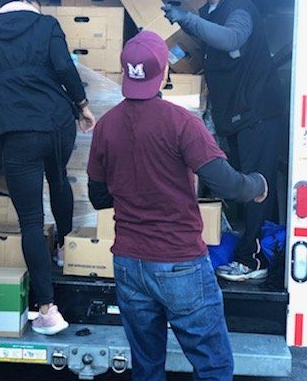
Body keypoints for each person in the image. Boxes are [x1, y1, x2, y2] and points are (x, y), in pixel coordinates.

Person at [87, 30, 268, 381]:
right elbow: (227, 184)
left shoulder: (106, 126)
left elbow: (98, 197)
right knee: (213, 366)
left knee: (147, 366)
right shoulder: (182, 123)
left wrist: (130, 188)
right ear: (165, 74)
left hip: (128, 263)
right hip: (179, 262)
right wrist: (258, 185)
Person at [0, 0, 96, 335]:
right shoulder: (45, 24)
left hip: (16, 131)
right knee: (58, 177)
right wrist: (83, 106)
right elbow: (64, 68)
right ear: (32, 2)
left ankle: (48, 309)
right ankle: (64, 244)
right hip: (57, 122)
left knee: (29, 220)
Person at [162, 0, 283, 282]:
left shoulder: (239, 6)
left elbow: (231, 38)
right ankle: (243, 245)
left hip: (257, 112)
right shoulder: (210, 10)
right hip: (235, 114)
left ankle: (253, 259)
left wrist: (185, 18)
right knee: (240, 184)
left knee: (258, 185)